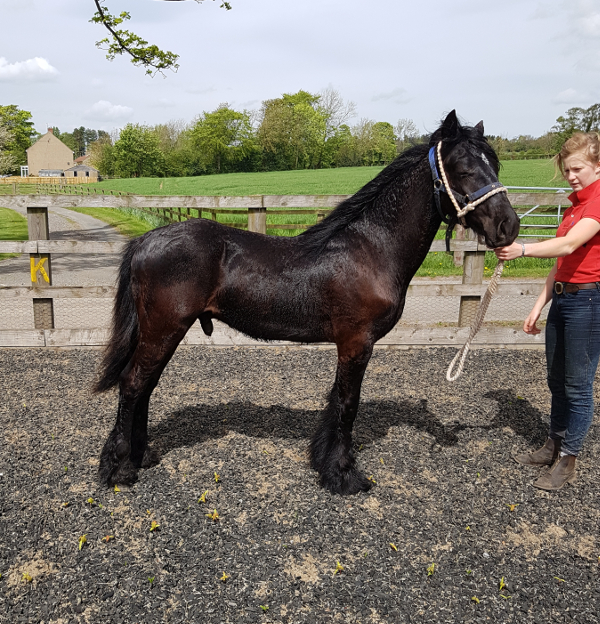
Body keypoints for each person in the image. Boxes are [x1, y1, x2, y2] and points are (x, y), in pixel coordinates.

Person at [494, 132, 600, 491]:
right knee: (556, 381)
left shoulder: (598, 201)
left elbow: (570, 243)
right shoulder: (574, 207)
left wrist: (522, 249)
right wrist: (538, 306)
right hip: (564, 298)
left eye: (577, 168)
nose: (571, 175)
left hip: (588, 301)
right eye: (566, 169)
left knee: (578, 386)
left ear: (597, 166)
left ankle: (568, 460)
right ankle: (553, 444)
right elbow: (562, 259)